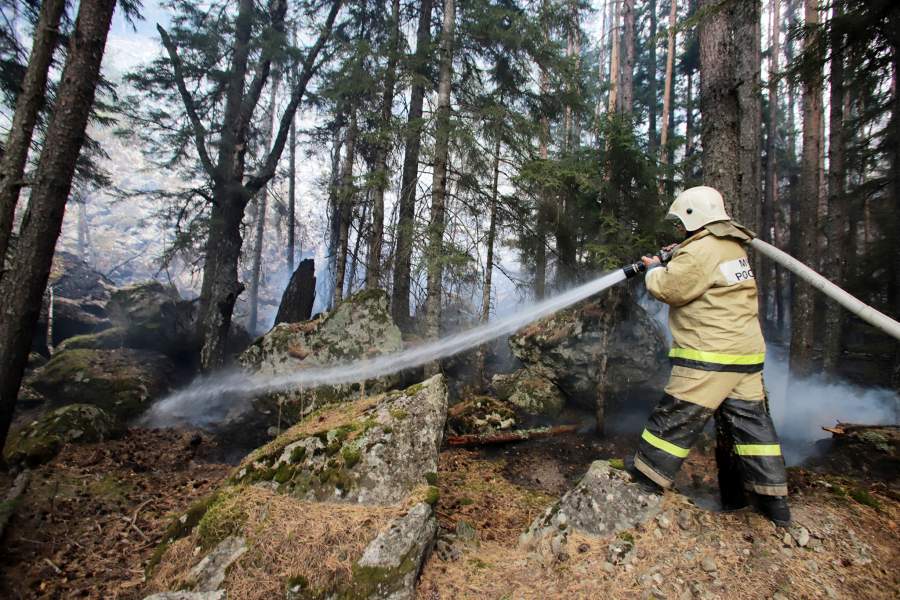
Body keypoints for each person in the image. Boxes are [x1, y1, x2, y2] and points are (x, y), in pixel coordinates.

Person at [629, 185, 791, 527]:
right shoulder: (731, 247)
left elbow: (669, 289)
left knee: (674, 418)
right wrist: (679, 254)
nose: (679, 228)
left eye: (681, 222)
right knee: (753, 429)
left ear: (693, 216)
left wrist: (653, 269)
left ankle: (644, 484)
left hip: (710, 354)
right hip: (745, 357)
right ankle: (774, 504)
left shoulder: (701, 250)